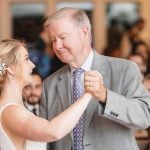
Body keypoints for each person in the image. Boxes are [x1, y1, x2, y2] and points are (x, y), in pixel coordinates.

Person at [40, 7, 150, 150]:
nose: (57, 46)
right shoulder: (49, 84)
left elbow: (144, 117)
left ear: (84, 33)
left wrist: (105, 96)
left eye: (62, 37)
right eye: (53, 40)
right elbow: (44, 139)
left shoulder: (125, 70)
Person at [0, 39, 93, 150]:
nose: (33, 65)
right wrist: (89, 93)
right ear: (11, 68)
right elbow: (52, 131)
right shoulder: (11, 111)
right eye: (26, 59)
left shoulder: (12, 108)